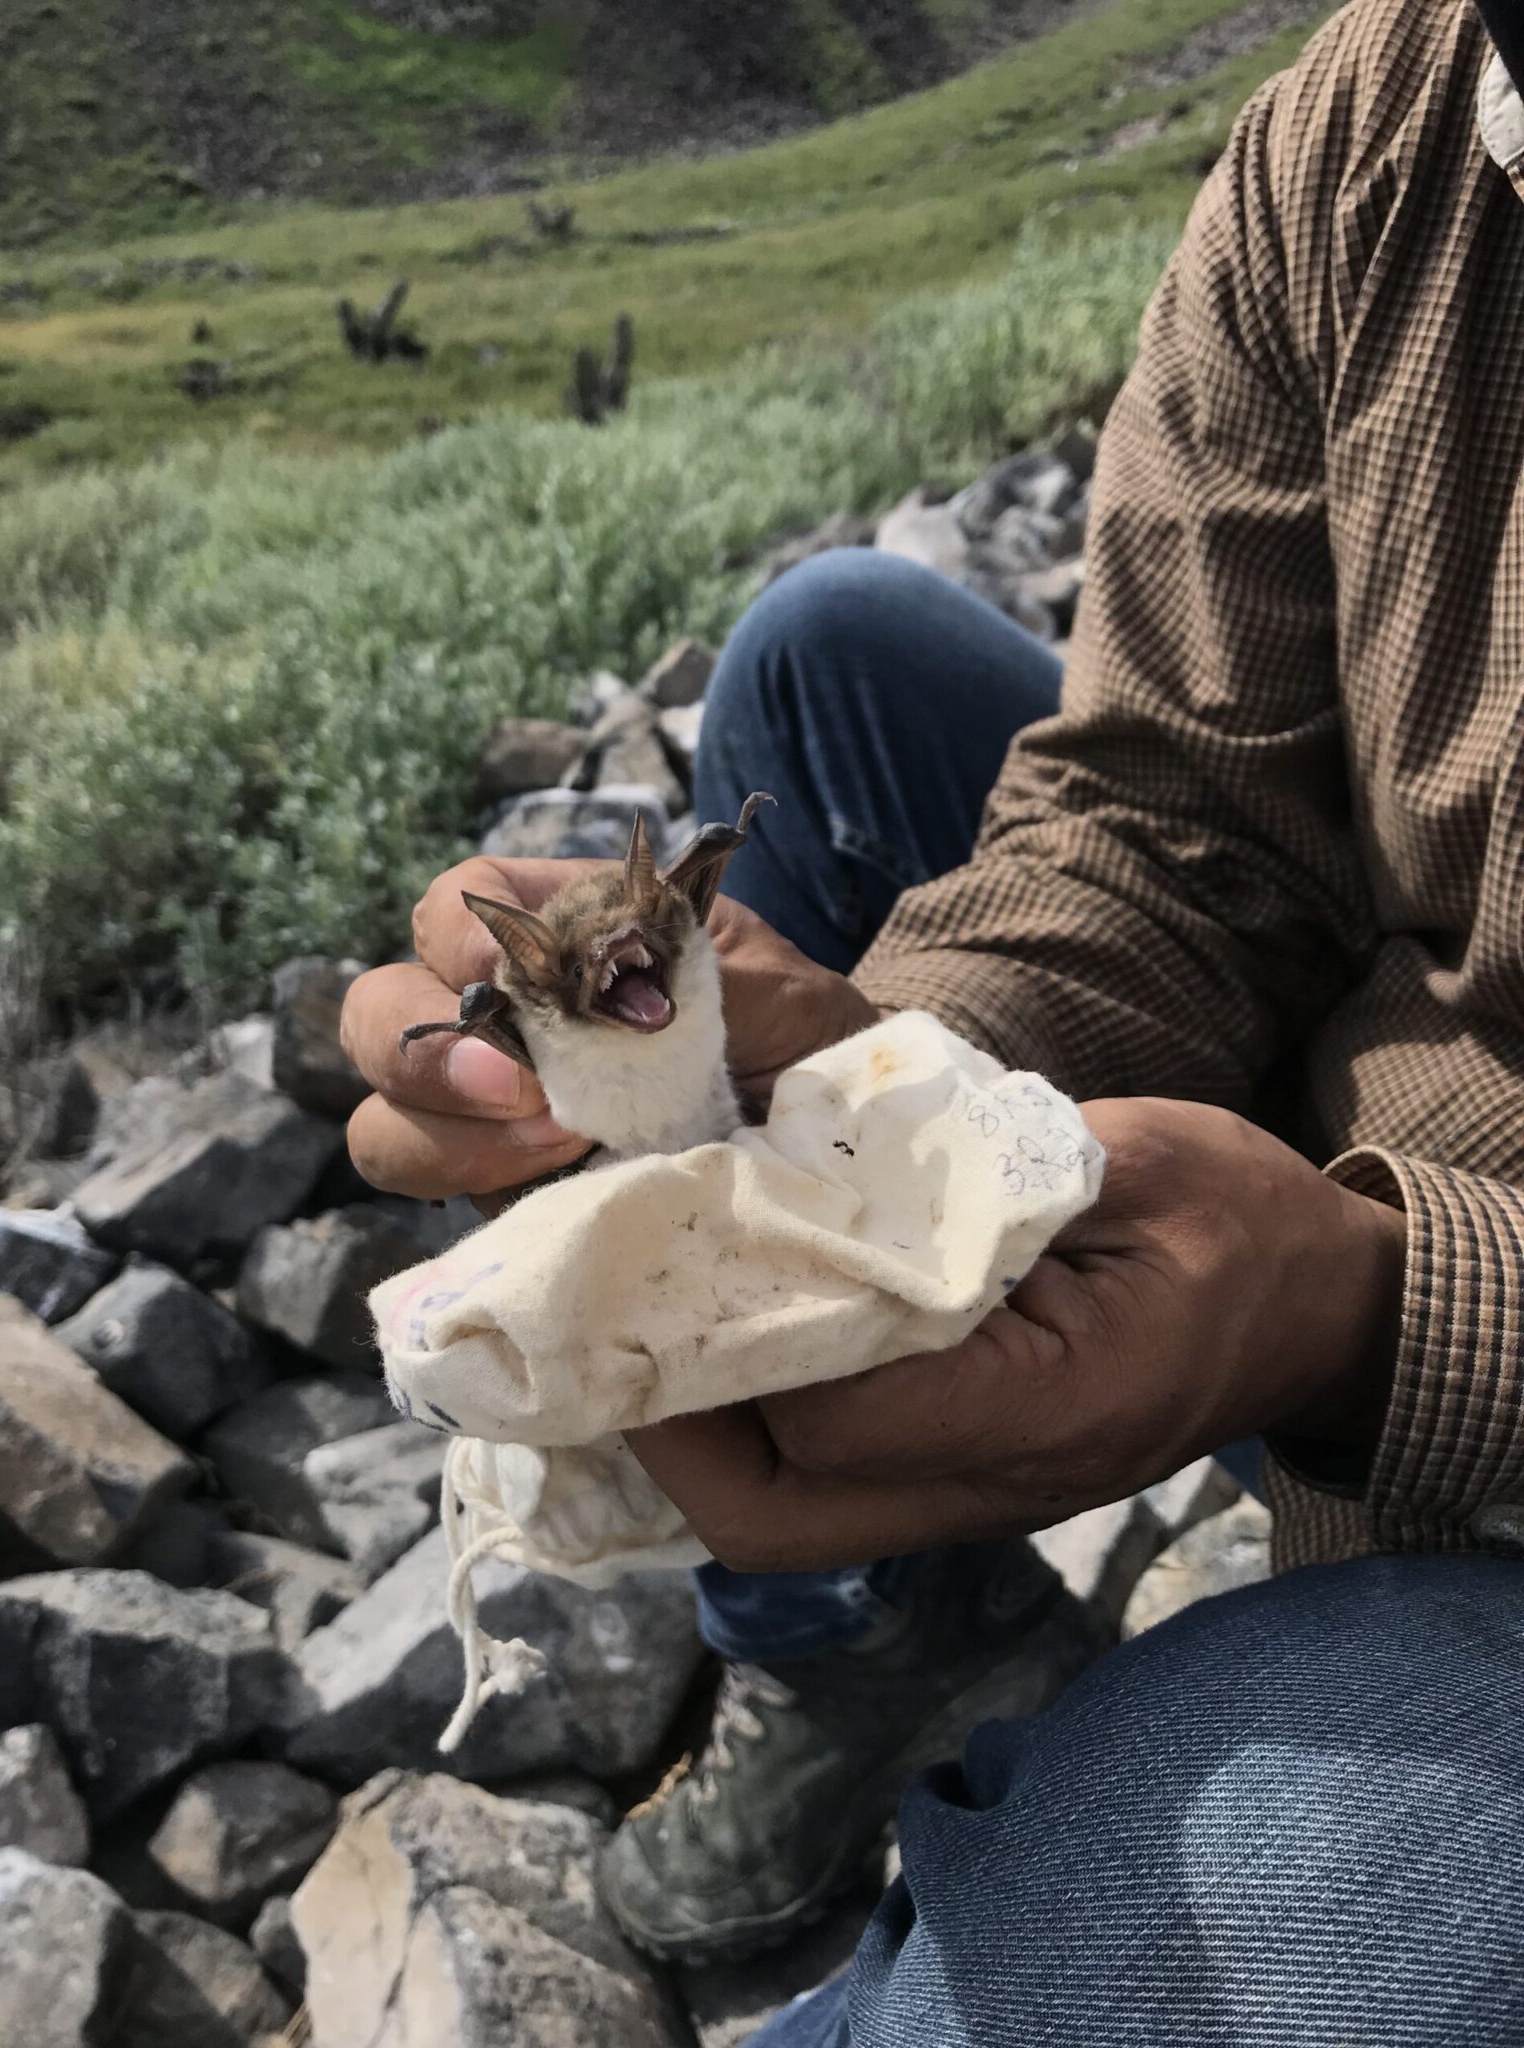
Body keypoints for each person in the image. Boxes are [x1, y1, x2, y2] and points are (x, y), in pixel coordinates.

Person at [340, 0, 1524, 2035]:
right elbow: (1179, 822)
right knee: (829, 664)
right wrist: (871, 1117)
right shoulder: (1383, 123)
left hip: (1443, 1347)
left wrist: (1374, 1317)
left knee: (1215, 1925)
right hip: (1367, 1130)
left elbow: (1378, 1301)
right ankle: (865, 1617)